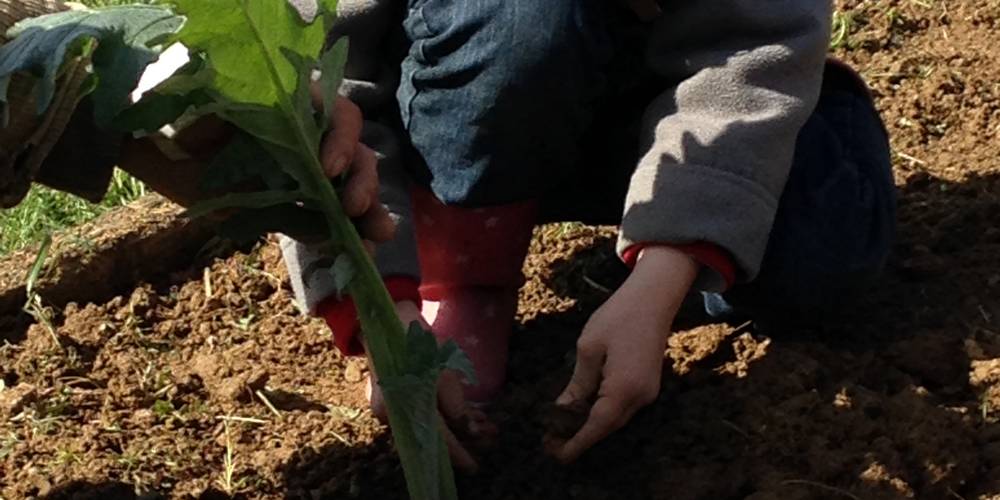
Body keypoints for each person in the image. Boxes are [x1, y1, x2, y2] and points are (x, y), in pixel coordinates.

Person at [280, 0, 897, 472]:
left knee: (818, 259)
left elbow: (755, 41)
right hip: (478, 90)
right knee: (520, 22)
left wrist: (666, 271)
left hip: (672, 97)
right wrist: (383, 302)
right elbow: (323, 76)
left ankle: (668, 240)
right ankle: (467, 266)